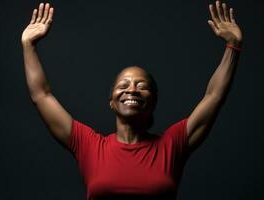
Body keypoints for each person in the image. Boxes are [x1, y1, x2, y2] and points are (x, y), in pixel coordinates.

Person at [21, 1, 242, 199]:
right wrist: (28, 45)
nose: (132, 90)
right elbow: (41, 95)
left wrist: (233, 46)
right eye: (123, 85)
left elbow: (214, 96)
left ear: (153, 101)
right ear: (111, 101)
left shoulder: (172, 144)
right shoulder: (89, 145)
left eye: (142, 86)